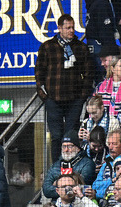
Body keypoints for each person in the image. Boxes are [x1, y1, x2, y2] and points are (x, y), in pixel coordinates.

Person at [36, 14, 93, 160]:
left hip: (74, 100)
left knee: (71, 136)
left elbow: (88, 73)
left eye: (73, 27)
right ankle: (57, 167)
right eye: (68, 27)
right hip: (53, 99)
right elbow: (39, 73)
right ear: (59, 28)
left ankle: (71, 166)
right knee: (56, 136)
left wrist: (82, 96)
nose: (71, 30)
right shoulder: (47, 47)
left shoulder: (81, 47)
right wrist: (45, 96)